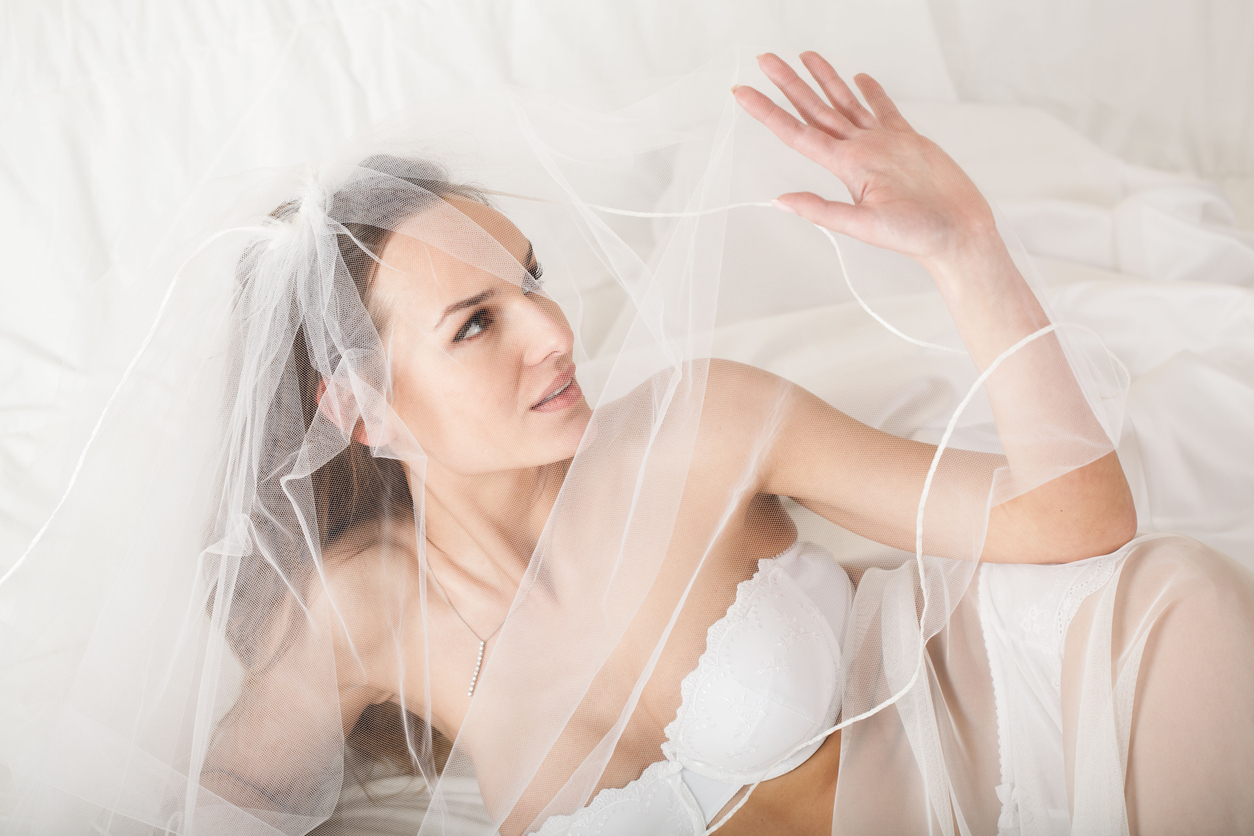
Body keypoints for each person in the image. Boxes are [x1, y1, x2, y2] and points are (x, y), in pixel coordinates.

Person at [3, 52, 1252, 836]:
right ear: (364, 408)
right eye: (477, 320)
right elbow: (209, 805)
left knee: (1186, 605)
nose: (553, 331)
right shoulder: (367, 611)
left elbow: (1076, 518)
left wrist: (963, 244)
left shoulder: (694, 427)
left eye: (533, 279)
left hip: (1021, 739)